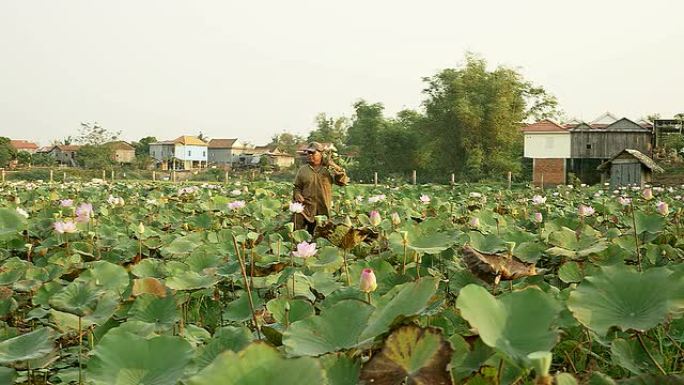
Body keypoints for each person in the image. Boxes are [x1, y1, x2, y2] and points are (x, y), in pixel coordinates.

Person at [293, 142, 349, 234]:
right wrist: (297, 194)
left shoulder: (328, 169)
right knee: (297, 228)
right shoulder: (303, 170)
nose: (310, 155)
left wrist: (338, 170)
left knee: (321, 235)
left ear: (321, 154)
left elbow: (342, 182)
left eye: (313, 153)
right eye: (308, 153)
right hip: (305, 208)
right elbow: (297, 187)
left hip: (323, 208)